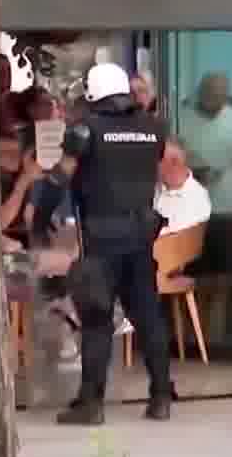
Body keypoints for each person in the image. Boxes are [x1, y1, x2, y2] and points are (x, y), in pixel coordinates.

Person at [58, 63, 173, 426]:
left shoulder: (84, 129)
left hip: (101, 235)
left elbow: (62, 176)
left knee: (96, 319)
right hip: (140, 234)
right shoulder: (153, 128)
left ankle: (90, 403)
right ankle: (160, 396)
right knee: (148, 317)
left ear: (94, 93)